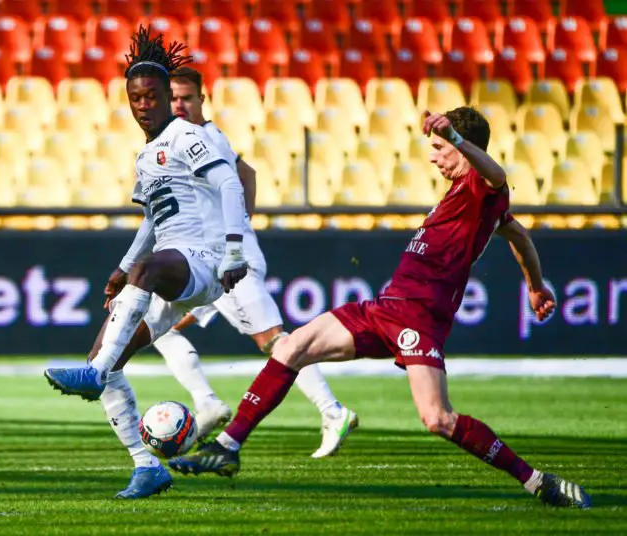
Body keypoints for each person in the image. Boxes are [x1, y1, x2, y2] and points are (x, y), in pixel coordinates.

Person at [168, 107, 591, 509]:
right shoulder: (462, 197)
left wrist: (456, 137)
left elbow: (498, 176)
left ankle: (537, 481)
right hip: (384, 308)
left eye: (440, 149)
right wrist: (535, 286)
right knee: (290, 348)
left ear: (462, 148)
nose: (434, 157)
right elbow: (520, 237)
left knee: (438, 419)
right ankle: (227, 447)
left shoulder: (482, 187)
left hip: (419, 318)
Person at [44, 26, 249, 499]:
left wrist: (235, 250)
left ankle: (93, 379)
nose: (143, 104)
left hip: (204, 260)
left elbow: (230, 186)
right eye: (134, 97)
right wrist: (122, 268)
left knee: (148, 272)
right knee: (104, 356)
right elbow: (154, 221)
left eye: (151, 95)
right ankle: (146, 466)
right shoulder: (145, 155)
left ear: (166, 97)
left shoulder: (186, 136)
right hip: (168, 268)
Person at [148, 67, 358, 457]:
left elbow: (241, 178)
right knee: (159, 326)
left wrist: (239, 234)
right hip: (207, 259)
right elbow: (247, 171)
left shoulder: (204, 137)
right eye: (173, 97)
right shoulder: (196, 138)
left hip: (227, 261)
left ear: (201, 100)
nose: (179, 104)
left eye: (187, 97)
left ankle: (333, 410)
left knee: (275, 340)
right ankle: (207, 402)